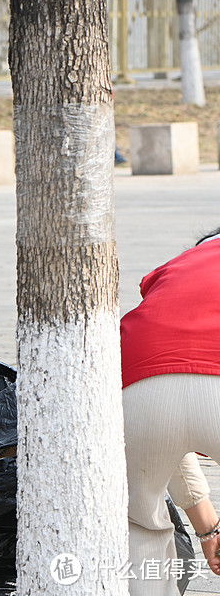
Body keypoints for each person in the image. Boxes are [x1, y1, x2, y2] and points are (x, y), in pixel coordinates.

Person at [121, 228, 220, 595]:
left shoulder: (177, 268)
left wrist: (208, 528)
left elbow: (175, 417)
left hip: (132, 383)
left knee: (140, 523)